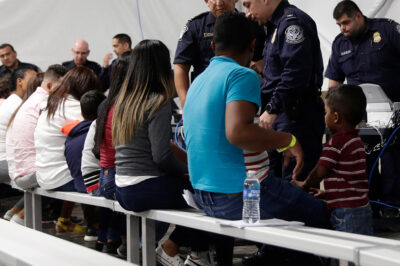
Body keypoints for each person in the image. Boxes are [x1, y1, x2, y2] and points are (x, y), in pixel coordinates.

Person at [183, 12, 330, 265]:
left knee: (288, 233)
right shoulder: (242, 75)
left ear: (211, 46)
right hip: (238, 196)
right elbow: (238, 132)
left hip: (205, 196)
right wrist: (289, 140)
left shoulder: (197, 82)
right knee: (319, 214)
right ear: (253, 46)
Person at [113, 39, 210, 266]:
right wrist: (188, 171)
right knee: (208, 194)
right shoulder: (158, 101)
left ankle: (175, 249)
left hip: (123, 188)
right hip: (144, 187)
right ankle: (193, 255)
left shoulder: (123, 101)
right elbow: (161, 157)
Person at [325, 0, 400, 217]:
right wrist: (332, 115)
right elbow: (334, 84)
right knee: (362, 160)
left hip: (393, 111)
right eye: (339, 25)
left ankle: (392, 210)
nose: (342, 28)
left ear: (358, 16)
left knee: (392, 161)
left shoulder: (386, 30)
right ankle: (369, 206)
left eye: (346, 23)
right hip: (359, 115)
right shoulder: (340, 44)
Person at [242, 0, 325, 183]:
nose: (247, 13)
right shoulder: (274, 26)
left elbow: (296, 72)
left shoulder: (292, 23)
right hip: (279, 116)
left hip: (295, 116)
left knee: (295, 184)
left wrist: (273, 109)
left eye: (248, 4)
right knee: (273, 183)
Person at [292, 84, 373, 236]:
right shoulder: (356, 141)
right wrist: (327, 193)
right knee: (359, 253)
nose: (324, 117)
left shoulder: (336, 142)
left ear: (335, 117)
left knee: (344, 256)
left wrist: (305, 184)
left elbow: (320, 171)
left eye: (325, 112)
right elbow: (350, 182)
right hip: (362, 209)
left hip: (345, 213)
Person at [34, 66, 101, 234]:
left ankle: (94, 227)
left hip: (44, 174)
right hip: (59, 178)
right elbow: (100, 127)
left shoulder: (53, 102)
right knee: (108, 182)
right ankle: (101, 230)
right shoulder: (73, 106)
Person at [173, 0, 265, 108]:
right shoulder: (196, 26)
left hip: (243, 94)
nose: (219, 3)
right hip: (207, 98)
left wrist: (260, 65)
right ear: (206, 1)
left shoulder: (251, 23)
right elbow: (181, 66)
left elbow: (271, 56)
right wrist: (185, 103)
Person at [11, 65, 67, 190]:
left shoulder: (32, 100)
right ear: (49, 86)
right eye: (62, 88)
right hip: (34, 172)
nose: (66, 92)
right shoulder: (45, 103)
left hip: (22, 170)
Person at [0, 68, 36, 183]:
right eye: (33, 79)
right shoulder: (17, 105)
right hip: (4, 161)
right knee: (47, 176)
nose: (37, 83)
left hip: (6, 159)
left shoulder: (12, 102)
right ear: (19, 81)